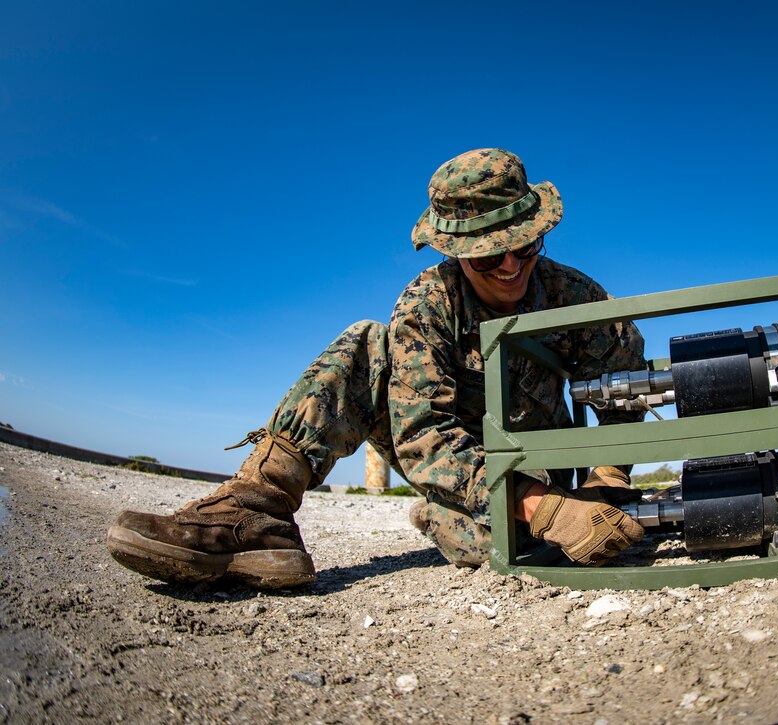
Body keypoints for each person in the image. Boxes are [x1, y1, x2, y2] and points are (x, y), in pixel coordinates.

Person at [106, 148, 648, 589]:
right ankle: (257, 510)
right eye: (487, 256)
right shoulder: (428, 304)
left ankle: (452, 518)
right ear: (455, 252)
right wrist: (539, 507)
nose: (510, 266)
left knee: (499, 545)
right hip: (470, 468)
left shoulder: (575, 297)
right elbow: (423, 435)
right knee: (366, 342)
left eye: (524, 245)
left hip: (540, 471)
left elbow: (624, 390)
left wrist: (602, 485)